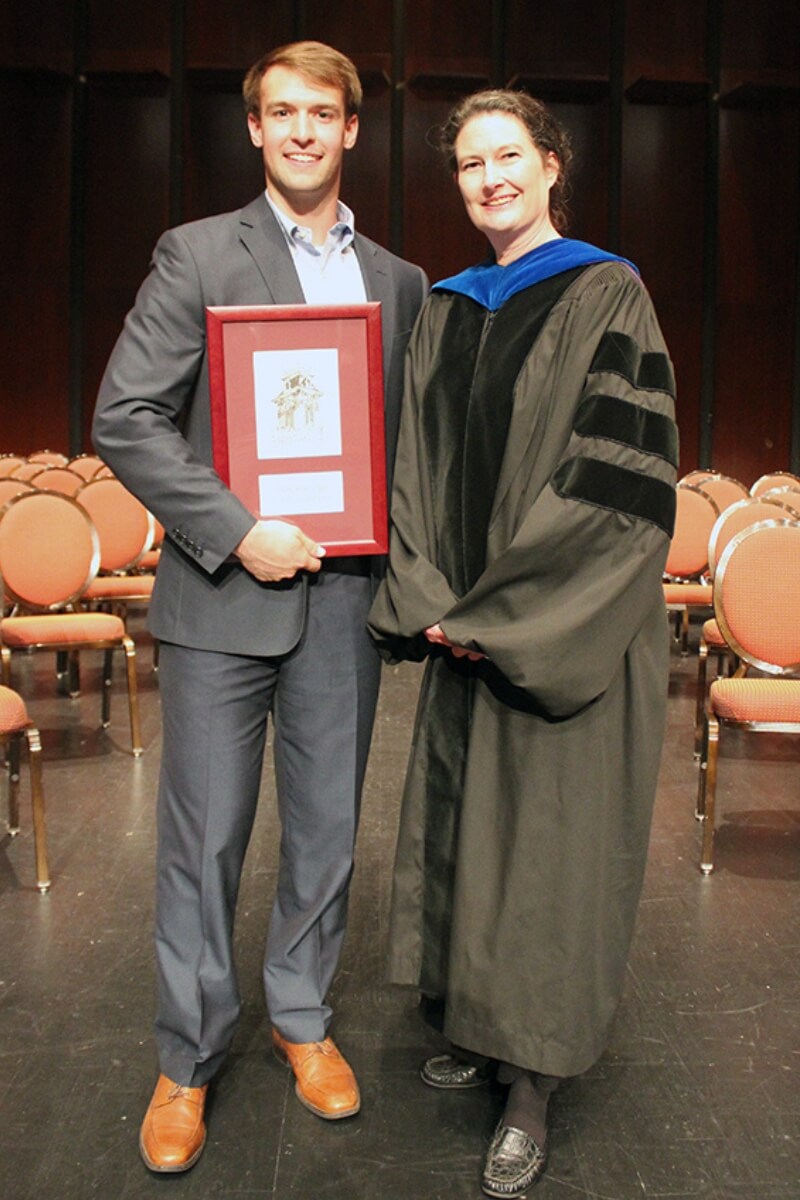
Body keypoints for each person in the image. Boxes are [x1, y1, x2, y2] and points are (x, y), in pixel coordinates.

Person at [93, 40, 427, 1173]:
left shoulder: (397, 282)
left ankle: (299, 1019)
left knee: (328, 834)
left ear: (348, 130)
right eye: (278, 112)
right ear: (252, 129)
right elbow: (127, 418)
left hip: (341, 607)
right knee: (205, 841)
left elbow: (406, 456)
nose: (298, 131)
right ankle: (185, 1060)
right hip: (221, 602)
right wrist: (239, 529)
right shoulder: (194, 255)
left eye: (319, 113)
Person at [368, 89, 678, 1197]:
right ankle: (482, 1028)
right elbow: (411, 468)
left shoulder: (606, 293)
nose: (488, 178)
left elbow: (617, 486)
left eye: (507, 156)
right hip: (463, 624)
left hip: (560, 628)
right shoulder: (450, 308)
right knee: (475, 829)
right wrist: (430, 596)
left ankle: (532, 1086)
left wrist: (494, 615)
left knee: (545, 849)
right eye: (467, 163)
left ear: (551, 165)